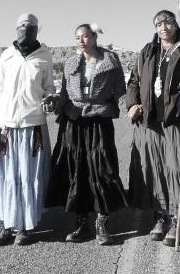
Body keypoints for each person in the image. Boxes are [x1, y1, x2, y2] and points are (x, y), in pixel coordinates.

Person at [126, 10, 180, 247]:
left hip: (177, 118)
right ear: (155, 28)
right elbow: (133, 81)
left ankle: (178, 220)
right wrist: (132, 104)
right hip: (150, 121)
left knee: (177, 168)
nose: (164, 27)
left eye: (168, 22)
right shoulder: (147, 51)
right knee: (155, 169)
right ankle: (160, 215)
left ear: (175, 25)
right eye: (159, 23)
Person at [47, 23, 127, 245]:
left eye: (85, 36)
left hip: (99, 119)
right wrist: (55, 102)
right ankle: (81, 222)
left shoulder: (110, 61)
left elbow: (120, 91)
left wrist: (131, 108)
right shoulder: (71, 62)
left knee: (102, 169)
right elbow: (64, 93)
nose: (81, 40)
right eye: (77, 37)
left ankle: (102, 222)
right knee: (77, 169)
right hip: (73, 120)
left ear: (94, 37)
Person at [0, 13, 55, 246]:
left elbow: (48, 87)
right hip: (5, 126)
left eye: (30, 27)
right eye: (21, 27)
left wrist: (50, 98)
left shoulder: (44, 56)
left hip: (32, 126)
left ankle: (25, 226)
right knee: (5, 177)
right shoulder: (7, 55)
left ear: (37, 30)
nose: (25, 30)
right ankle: (4, 225)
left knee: (28, 177)